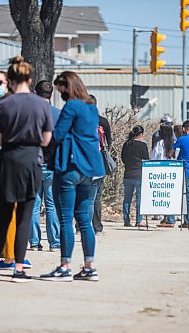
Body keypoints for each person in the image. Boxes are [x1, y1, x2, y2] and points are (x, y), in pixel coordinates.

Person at [0, 56, 52, 283]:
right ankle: (19, 268)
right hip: (32, 161)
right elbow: (46, 139)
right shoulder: (42, 105)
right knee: (24, 217)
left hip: (8, 161)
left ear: (11, 81)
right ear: (30, 79)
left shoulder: (3, 105)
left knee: (3, 217)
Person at [40, 71, 105, 282]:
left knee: (66, 217)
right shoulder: (91, 107)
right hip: (90, 168)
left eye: (61, 89)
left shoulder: (72, 106)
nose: (59, 93)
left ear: (67, 87)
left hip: (70, 166)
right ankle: (89, 266)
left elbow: (57, 135)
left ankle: (65, 266)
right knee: (84, 219)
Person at [29, 80, 61, 252]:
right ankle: (54, 242)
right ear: (52, 94)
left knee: (34, 205)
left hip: (33, 163)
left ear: (35, 92)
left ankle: (34, 242)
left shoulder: (29, 114)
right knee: (52, 205)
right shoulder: (59, 114)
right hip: (53, 165)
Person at [91, 94, 112, 235]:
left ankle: (81, 226)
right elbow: (109, 142)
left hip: (83, 162)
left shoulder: (79, 120)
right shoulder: (103, 121)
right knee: (97, 197)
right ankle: (97, 227)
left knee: (83, 196)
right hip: (99, 162)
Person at [121, 125, 149, 227]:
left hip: (127, 174)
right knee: (139, 199)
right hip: (139, 174)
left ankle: (126, 220)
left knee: (127, 199)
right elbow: (146, 160)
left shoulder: (126, 144)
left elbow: (123, 159)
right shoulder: (142, 145)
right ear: (141, 134)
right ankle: (138, 220)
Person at [152, 124, 176, 227]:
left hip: (160, 171)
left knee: (162, 194)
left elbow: (154, 157)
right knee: (170, 195)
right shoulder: (173, 144)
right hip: (171, 171)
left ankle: (165, 218)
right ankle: (170, 218)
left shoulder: (159, 143)